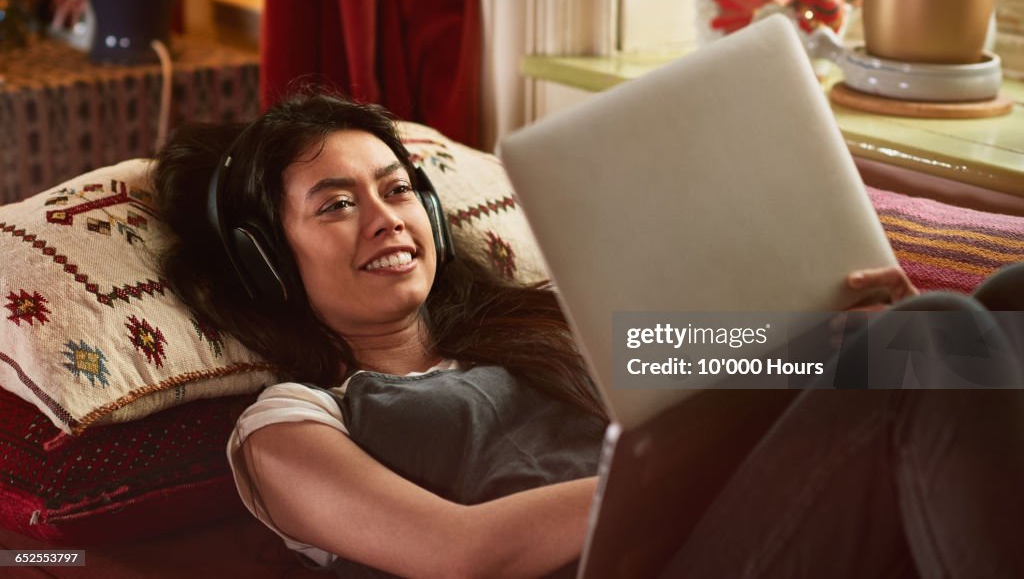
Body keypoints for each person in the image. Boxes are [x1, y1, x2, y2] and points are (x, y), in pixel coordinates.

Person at [152, 91, 1024, 578]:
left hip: (737, 531)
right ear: (268, 263)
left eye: (396, 188)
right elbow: (468, 553)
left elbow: (749, 368)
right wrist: (670, 474)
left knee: (991, 305)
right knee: (939, 330)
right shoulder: (292, 423)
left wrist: (841, 338)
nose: (386, 220)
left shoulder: (547, 323)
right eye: (337, 204)